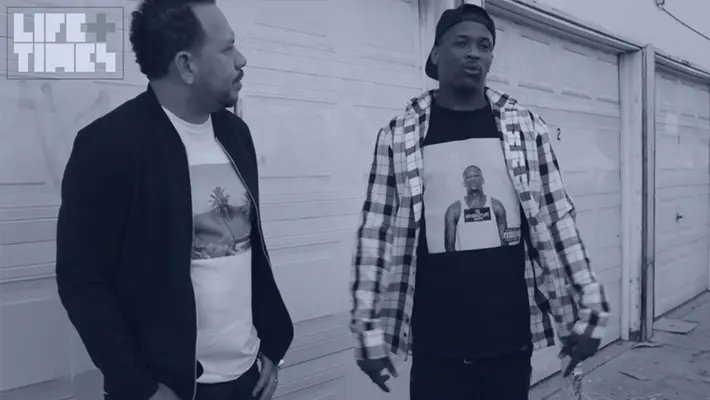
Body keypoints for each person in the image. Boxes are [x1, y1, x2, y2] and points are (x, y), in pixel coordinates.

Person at [350, 4, 610, 400]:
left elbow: (558, 220)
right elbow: (377, 233)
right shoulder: (400, 135)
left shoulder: (524, 128)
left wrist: (591, 305)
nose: (474, 53)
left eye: (484, 45)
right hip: (436, 346)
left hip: (509, 342)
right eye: (462, 42)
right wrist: (367, 327)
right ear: (436, 53)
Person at [55, 1, 293, 399]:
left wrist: (270, 341)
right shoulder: (110, 145)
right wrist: (140, 388)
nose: (241, 59)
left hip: (247, 377)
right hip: (168, 387)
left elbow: (247, 250)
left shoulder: (235, 134)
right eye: (227, 48)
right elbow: (82, 280)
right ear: (186, 65)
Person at [444, 165, 508, 251]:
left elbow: (505, 242)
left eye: (476, 176)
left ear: (482, 180)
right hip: (466, 259)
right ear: (464, 183)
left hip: (493, 258)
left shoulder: (496, 206)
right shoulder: (454, 210)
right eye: (468, 177)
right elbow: (449, 246)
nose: (473, 179)